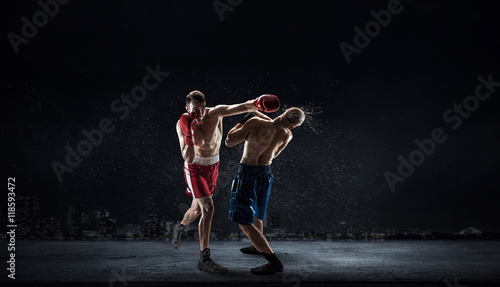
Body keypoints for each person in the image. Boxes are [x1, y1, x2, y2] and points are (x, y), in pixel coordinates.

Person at [173, 90, 280, 274]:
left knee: (197, 209)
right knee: (208, 207)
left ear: (205, 106)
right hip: (195, 168)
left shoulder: (215, 113)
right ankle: (204, 258)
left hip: (213, 166)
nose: (198, 114)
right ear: (186, 108)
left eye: (201, 109)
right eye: (193, 110)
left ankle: (180, 226)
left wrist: (258, 102)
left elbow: (244, 106)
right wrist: (189, 135)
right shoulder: (182, 123)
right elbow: (188, 158)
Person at [225, 107, 305, 275]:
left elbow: (229, 141)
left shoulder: (254, 123)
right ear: (293, 126)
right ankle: (257, 247)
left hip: (247, 173)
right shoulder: (287, 135)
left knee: (244, 223)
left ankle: (274, 262)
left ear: (284, 112)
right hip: (265, 174)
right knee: (256, 215)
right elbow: (273, 152)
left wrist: (244, 120)